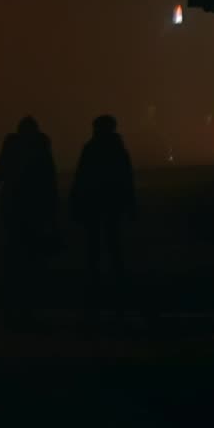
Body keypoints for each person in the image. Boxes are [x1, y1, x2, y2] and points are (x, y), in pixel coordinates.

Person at [0, 116, 60, 330]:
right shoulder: (41, 151)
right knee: (30, 262)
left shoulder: (13, 150)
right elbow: (50, 183)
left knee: (14, 260)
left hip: (13, 212)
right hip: (33, 213)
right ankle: (27, 309)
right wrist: (52, 217)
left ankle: (12, 307)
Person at [69, 114, 136, 319]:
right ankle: (116, 281)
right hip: (110, 203)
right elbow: (126, 177)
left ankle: (95, 281)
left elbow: (81, 176)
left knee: (95, 245)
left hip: (94, 203)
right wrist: (130, 202)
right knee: (112, 242)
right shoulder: (117, 149)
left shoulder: (91, 149)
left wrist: (76, 200)